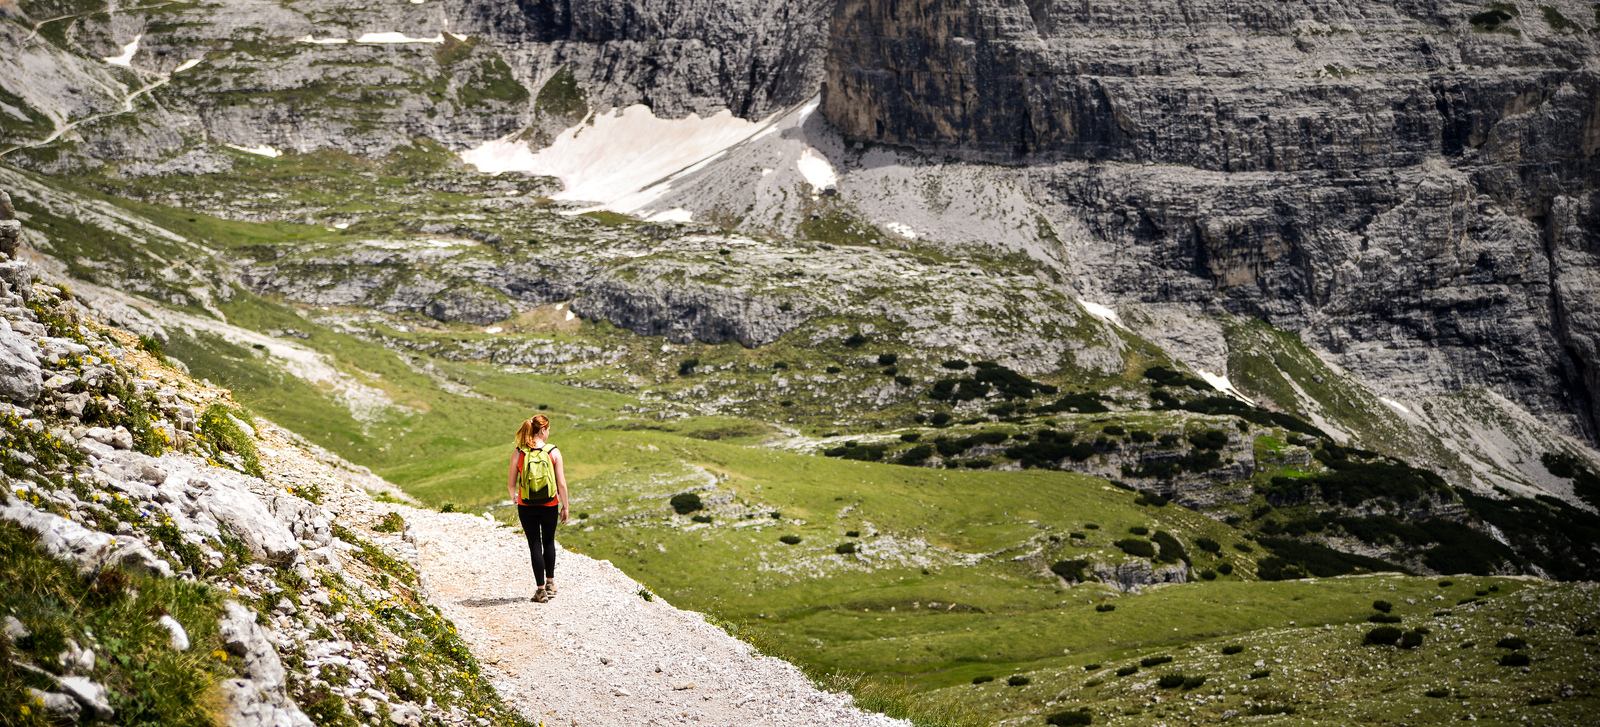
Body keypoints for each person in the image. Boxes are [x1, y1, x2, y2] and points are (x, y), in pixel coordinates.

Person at [506, 414, 569, 602]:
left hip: (526, 505)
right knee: (549, 541)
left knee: (534, 543)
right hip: (550, 504)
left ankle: (540, 591)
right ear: (542, 430)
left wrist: (515, 497)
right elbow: (561, 484)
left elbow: (511, 484)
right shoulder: (553, 452)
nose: (549, 433)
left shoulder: (519, 452)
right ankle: (550, 584)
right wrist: (565, 506)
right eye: (548, 429)